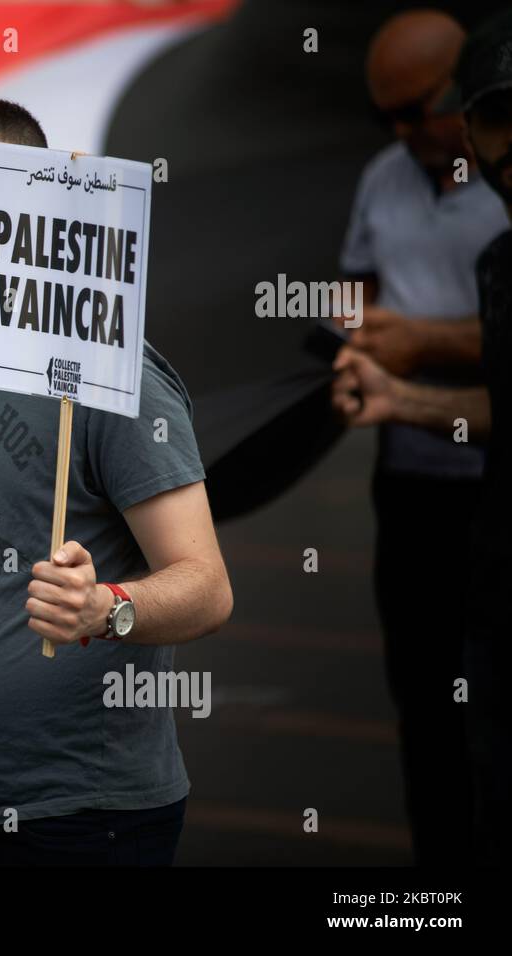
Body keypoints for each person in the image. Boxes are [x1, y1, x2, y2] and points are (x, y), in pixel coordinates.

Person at [0, 98, 232, 866]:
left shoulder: (114, 377)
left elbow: (207, 588)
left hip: (89, 819)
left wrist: (105, 608)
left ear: (38, 204)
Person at [334, 10, 512, 867]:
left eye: (420, 112)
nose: (407, 135)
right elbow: (357, 299)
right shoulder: (383, 179)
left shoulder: (504, 182)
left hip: (490, 479)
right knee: (427, 703)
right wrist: (348, 339)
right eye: (387, 119)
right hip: (411, 483)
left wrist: (417, 346)